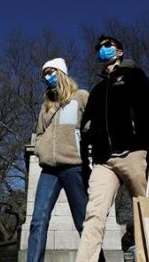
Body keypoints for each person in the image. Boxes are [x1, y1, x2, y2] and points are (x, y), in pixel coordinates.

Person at [75, 36, 149, 262]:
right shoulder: (96, 90)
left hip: (134, 153)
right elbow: (86, 128)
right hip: (104, 162)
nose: (102, 50)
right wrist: (87, 164)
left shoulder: (134, 75)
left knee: (146, 211)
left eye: (107, 45)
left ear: (120, 51)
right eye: (99, 47)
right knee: (93, 215)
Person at [27, 58, 104, 262]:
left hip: (74, 167)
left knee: (84, 222)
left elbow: (96, 124)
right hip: (49, 171)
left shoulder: (81, 96)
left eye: (50, 72)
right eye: (44, 74)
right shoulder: (46, 106)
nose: (46, 77)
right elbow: (40, 133)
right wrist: (41, 151)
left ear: (61, 73)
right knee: (38, 221)